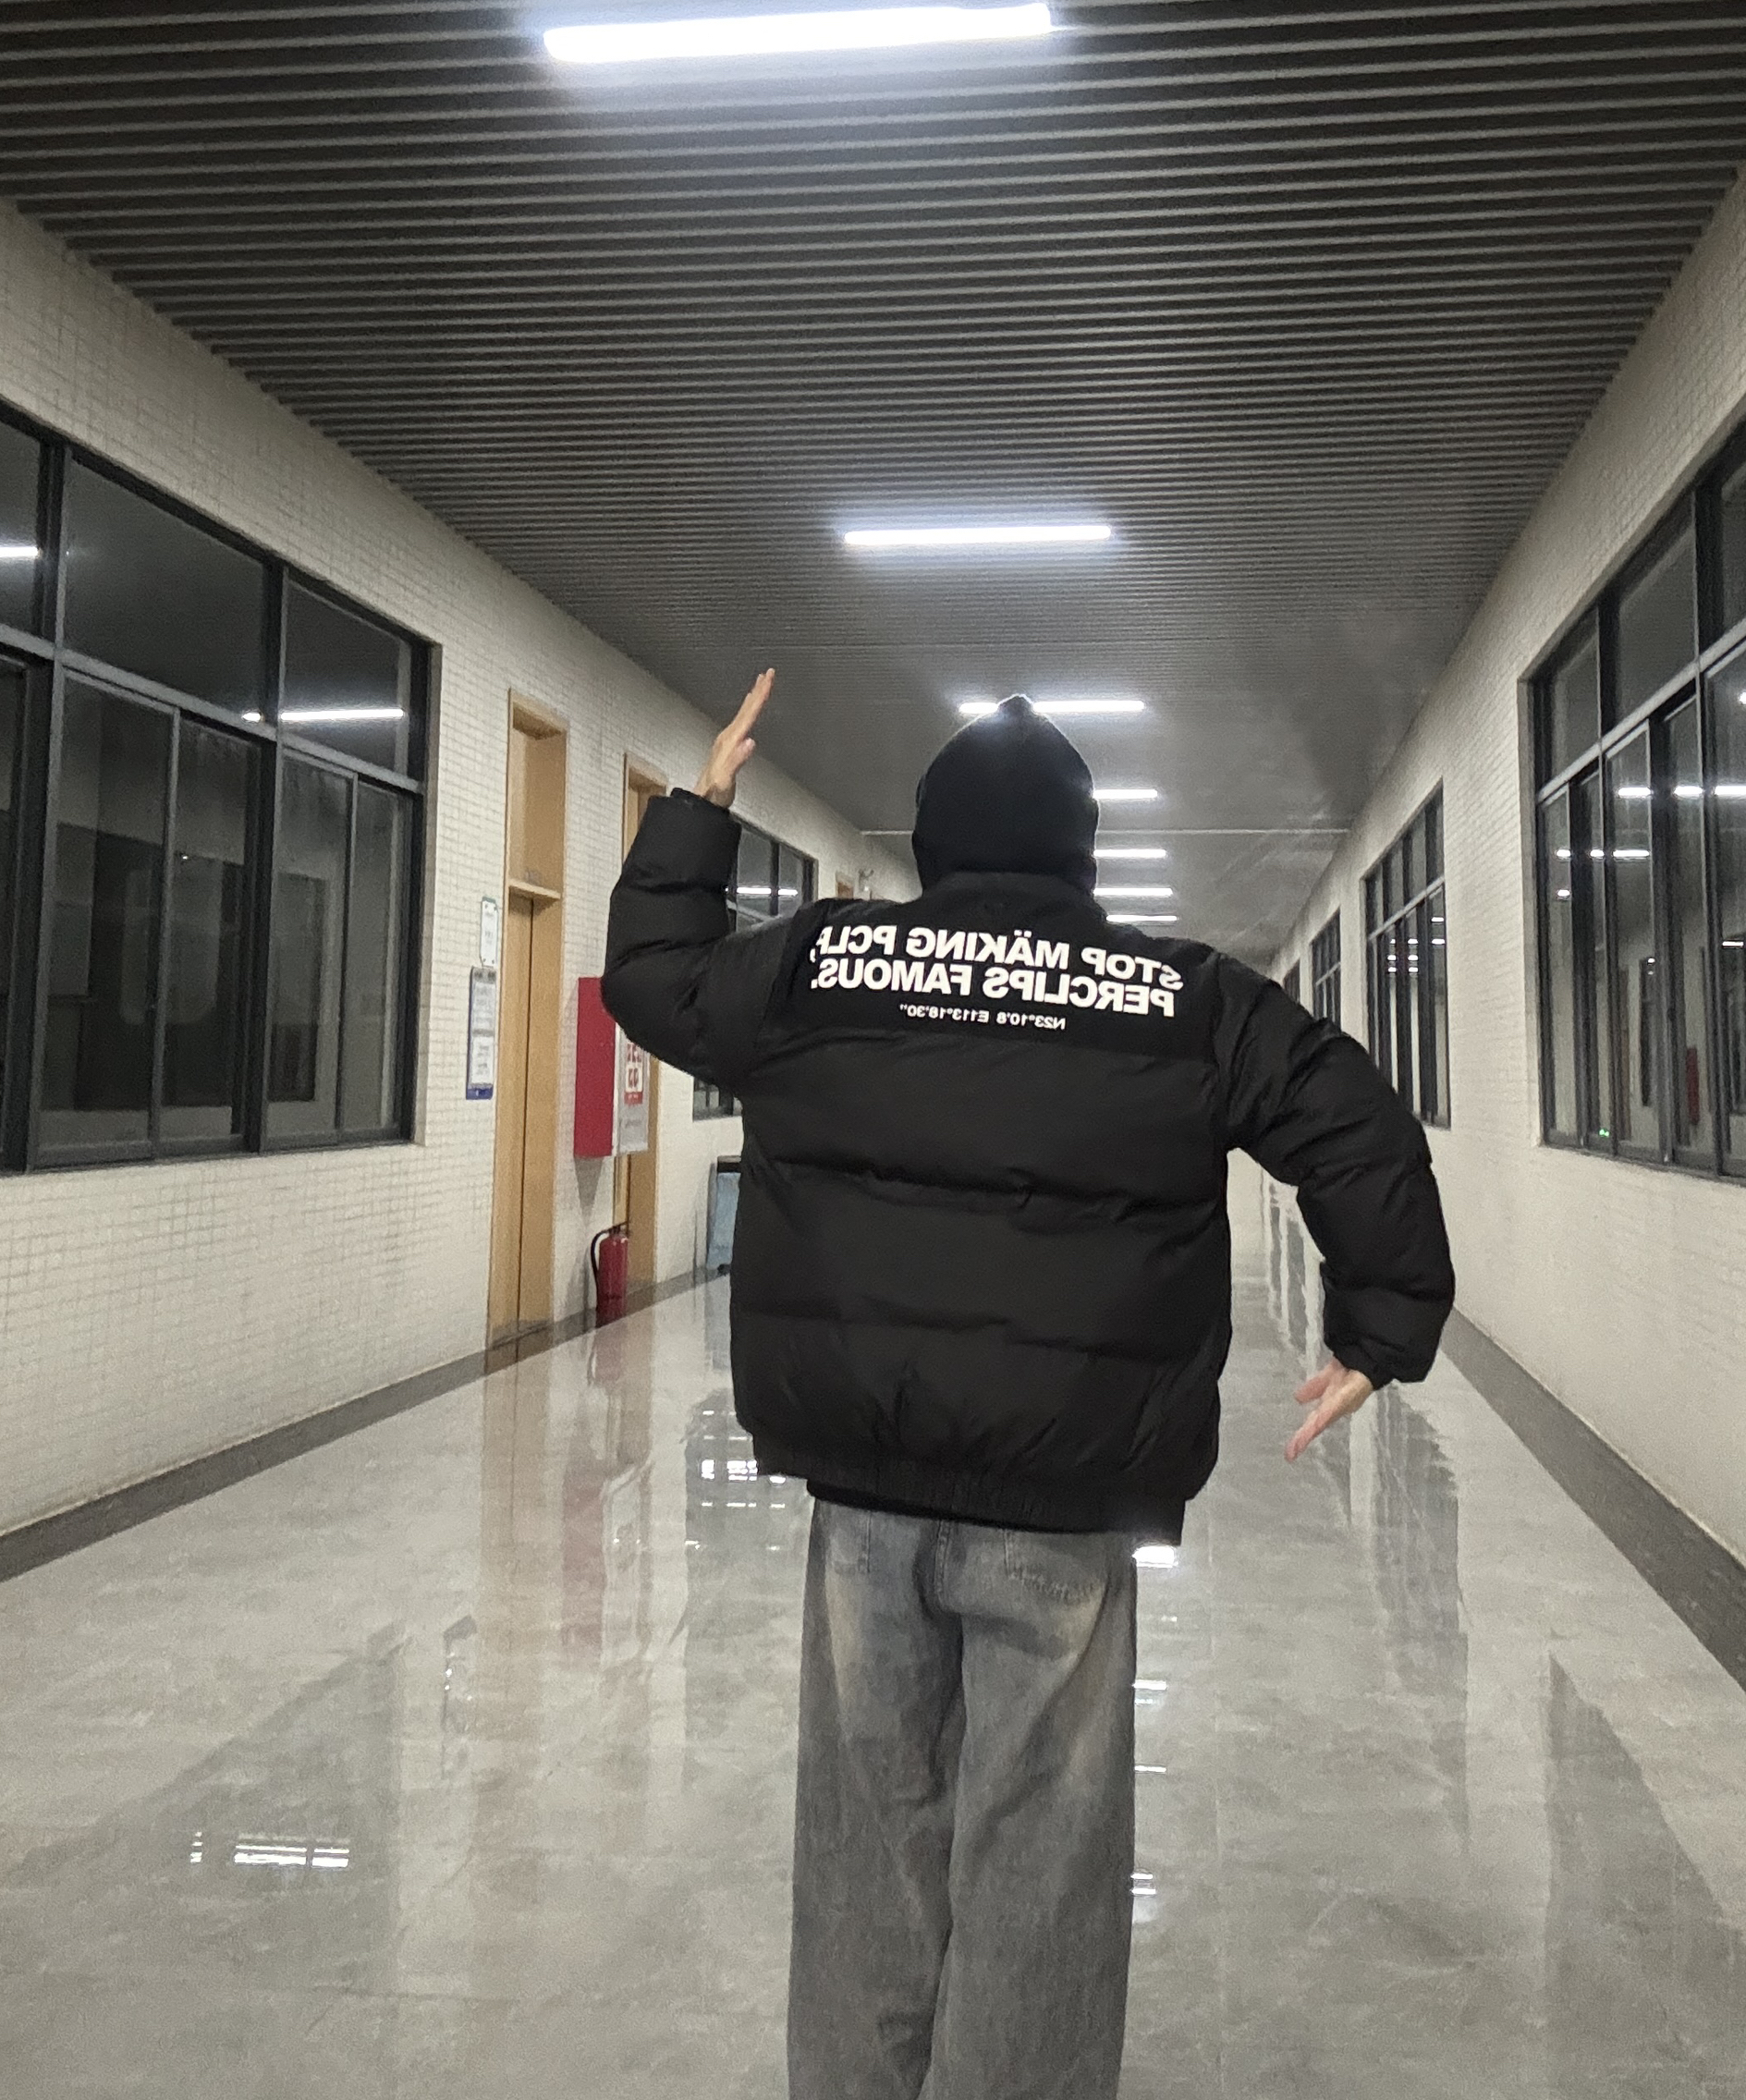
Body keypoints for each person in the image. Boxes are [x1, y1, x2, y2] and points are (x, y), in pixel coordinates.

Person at [604, 674, 1455, 2100]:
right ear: (1079, 850)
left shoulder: (822, 965)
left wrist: (699, 811)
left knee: (865, 1830)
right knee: (1041, 1849)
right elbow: (1351, 1118)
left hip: (867, 1481)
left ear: (932, 845)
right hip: (1067, 1499)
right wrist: (1379, 1326)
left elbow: (653, 983)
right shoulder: (1183, 999)